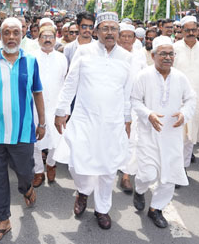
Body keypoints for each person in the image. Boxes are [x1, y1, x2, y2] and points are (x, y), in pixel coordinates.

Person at [54, 12, 133, 230]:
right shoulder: (84, 51)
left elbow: (127, 93)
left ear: (118, 32)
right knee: (78, 164)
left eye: (114, 29)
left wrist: (127, 119)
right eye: (105, 28)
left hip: (112, 122)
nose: (110, 33)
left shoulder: (126, 58)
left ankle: (102, 209)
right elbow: (71, 82)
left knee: (108, 169)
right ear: (97, 31)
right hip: (84, 118)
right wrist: (61, 110)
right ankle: (83, 191)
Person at [0, 17, 45, 244]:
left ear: (22, 34)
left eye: (15, 32)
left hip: (23, 132)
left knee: (26, 173)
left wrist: (42, 122)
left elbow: (38, 93)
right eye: (6, 33)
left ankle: (26, 189)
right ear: (0, 35)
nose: (11, 37)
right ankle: (3, 220)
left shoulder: (31, 61)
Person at [131, 36, 196, 228]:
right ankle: (139, 189)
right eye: (163, 54)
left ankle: (156, 209)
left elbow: (191, 99)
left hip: (172, 134)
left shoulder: (180, 77)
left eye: (171, 54)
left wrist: (184, 113)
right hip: (148, 133)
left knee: (169, 176)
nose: (167, 57)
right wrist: (148, 114)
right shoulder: (143, 76)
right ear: (153, 55)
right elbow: (135, 100)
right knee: (147, 175)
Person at [173, 16, 199, 167]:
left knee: (190, 137)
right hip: (177, 100)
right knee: (176, 137)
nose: (190, 33)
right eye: (187, 30)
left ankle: (183, 168)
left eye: (193, 30)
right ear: (181, 31)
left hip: (197, 100)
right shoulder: (174, 49)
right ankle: (173, 168)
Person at [32, 26, 67, 188]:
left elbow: (65, 83)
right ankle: (38, 171)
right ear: (38, 39)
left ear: (55, 39)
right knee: (35, 140)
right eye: (44, 36)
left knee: (56, 138)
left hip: (55, 105)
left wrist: (64, 109)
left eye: (51, 37)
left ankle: (51, 164)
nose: (47, 39)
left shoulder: (62, 58)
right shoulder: (30, 57)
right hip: (34, 105)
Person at [117, 23, 148, 193]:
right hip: (114, 102)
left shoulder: (139, 55)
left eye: (130, 36)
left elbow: (144, 78)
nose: (127, 39)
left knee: (131, 138)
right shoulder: (113, 54)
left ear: (135, 38)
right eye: (124, 36)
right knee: (115, 136)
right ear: (118, 37)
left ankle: (126, 175)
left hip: (134, 103)